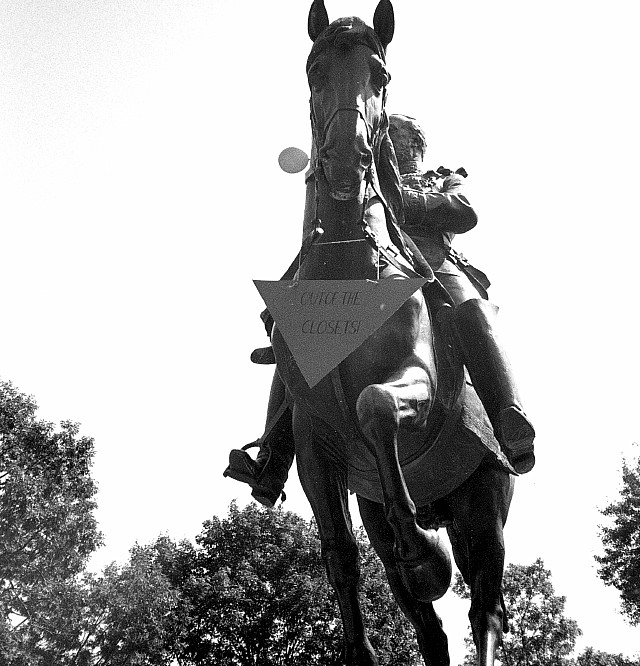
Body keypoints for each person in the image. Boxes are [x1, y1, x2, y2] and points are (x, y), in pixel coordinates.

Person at [224, 114, 535, 506]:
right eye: (387, 137)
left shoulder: (441, 179)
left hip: (434, 263)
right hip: (379, 261)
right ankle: (272, 459)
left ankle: (510, 419)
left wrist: (398, 198)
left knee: (472, 310)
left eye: (400, 138)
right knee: (300, 336)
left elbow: (463, 213)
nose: (392, 143)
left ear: (417, 147)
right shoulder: (365, 178)